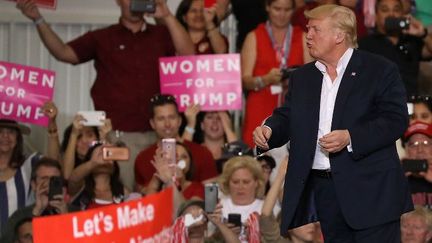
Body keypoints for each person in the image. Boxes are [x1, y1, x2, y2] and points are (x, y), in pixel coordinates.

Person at [253, 4, 412, 242]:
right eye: (308, 29)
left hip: (372, 192)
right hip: (326, 192)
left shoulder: (379, 70)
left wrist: (351, 137)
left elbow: (396, 120)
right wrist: (269, 129)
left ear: (339, 35)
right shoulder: (303, 77)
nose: (308, 35)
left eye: (315, 29)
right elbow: (287, 115)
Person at [16, 0, 195, 191]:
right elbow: (64, 53)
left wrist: (166, 15)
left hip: (158, 136)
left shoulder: (161, 34)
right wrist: (37, 19)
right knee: (123, 196)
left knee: (161, 195)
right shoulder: (102, 37)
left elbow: (188, 54)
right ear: (118, 1)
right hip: (117, 136)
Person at [240, 0, 310, 148]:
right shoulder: (254, 36)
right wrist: (265, 80)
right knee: (257, 158)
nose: (282, 14)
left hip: (293, 107)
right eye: (277, 9)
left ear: (294, 10)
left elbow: (312, 77)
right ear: (267, 7)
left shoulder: (304, 37)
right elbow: (245, 81)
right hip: (260, 104)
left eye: (287, 10)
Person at [134, 94, 217, 193]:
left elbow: (211, 195)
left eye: (172, 117)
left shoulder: (202, 153)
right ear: (152, 123)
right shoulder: (143, 158)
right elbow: (141, 200)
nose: (167, 124)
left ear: (179, 121)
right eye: (161, 119)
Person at [0, 109, 59, 236]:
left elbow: (53, 164)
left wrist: (52, 124)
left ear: (17, 138)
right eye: (0, 131)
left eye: (10, 132)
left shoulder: (29, 164)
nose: (5, 136)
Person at [358, 0, 432, 96]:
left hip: (412, 104)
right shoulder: (364, 44)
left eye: (396, 10)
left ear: (402, 15)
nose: (391, 14)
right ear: (375, 16)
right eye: (385, 10)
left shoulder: (412, 40)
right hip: (380, 105)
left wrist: (423, 33)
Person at [0, 158, 78, 243]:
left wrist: (65, 219)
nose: (48, 184)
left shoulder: (76, 213)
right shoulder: (20, 216)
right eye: (44, 179)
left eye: (54, 180)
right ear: (34, 185)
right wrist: (36, 212)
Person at [218, 156, 267, 242]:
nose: (240, 187)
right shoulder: (218, 207)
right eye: (235, 182)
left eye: (246, 182)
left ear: (256, 182)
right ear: (227, 182)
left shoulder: (265, 207)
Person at [68, 143, 130, 209]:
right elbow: (73, 179)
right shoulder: (81, 187)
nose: (103, 159)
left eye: (106, 154)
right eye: (100, 155)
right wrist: (94, 163)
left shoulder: (122, 191)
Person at [402, 121, 432, 208]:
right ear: (406, 150)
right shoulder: (397, 178)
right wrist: (396, 181)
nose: (420, 150)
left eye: (426, 143)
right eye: (413, 144)